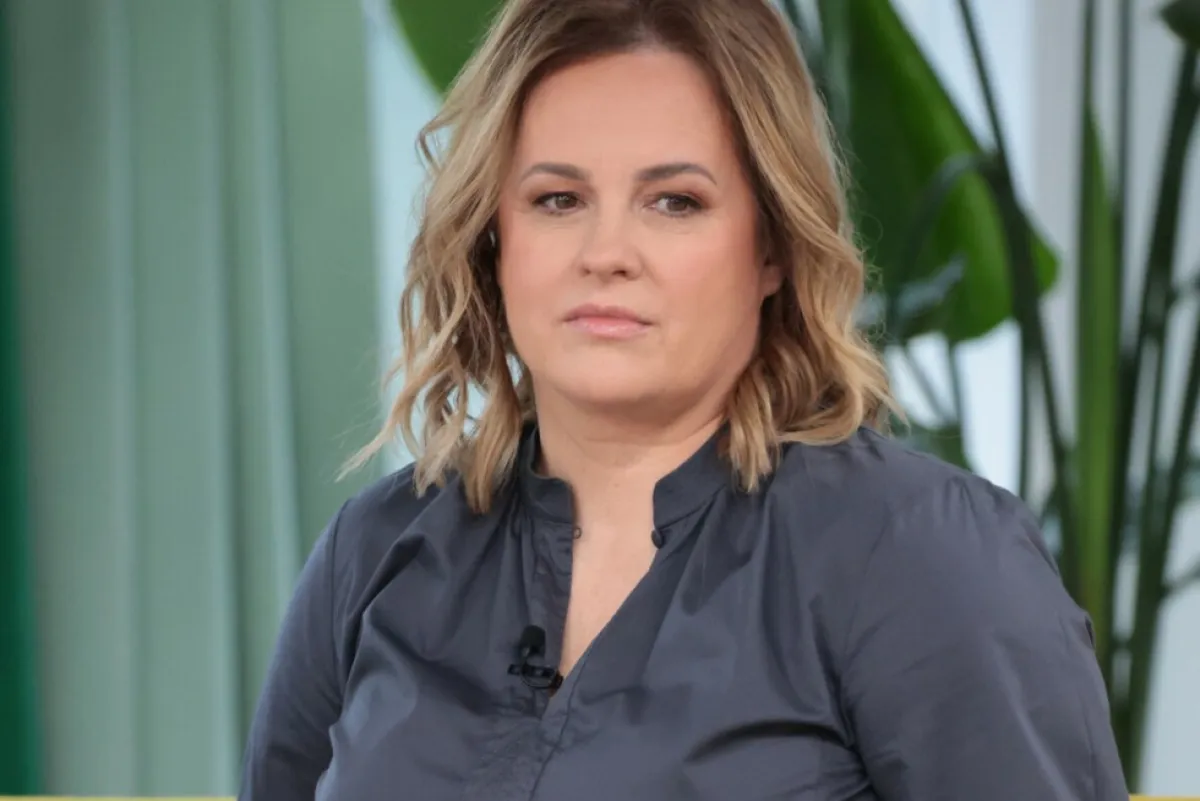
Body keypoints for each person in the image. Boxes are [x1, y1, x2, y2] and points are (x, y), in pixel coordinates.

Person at [239, 0, 1128, 798]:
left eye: (674, 201)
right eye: (557, 199)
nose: (606, 252)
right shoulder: (375, 551)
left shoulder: (920, 554)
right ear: (492, 239)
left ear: (772, 248)